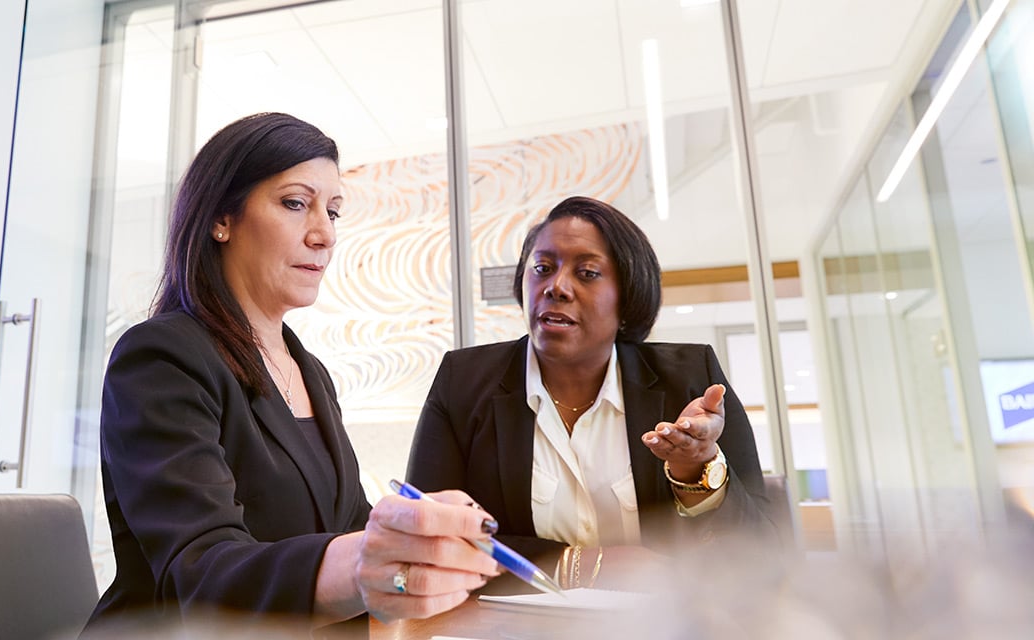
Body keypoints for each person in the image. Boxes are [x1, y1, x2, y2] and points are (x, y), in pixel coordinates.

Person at [83, 113, 501, 636]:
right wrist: (364, 566)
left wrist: (409, 545)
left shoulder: (311, 373)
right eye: (296, 204)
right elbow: (201, 572)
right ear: (221, 218)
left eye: (333, 211)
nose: (325, 235)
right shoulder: (161, 356)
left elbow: (349, 525)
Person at [406, 196, 783, 592]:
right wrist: (577, 565)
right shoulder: (465, 383)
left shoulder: (689, 381)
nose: (556, 287)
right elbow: (426, 532)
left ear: (628, 296)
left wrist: (698, 472)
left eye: (587, 273)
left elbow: (762, 554)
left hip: (663, 618)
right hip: (512, 622)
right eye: (542, 268)